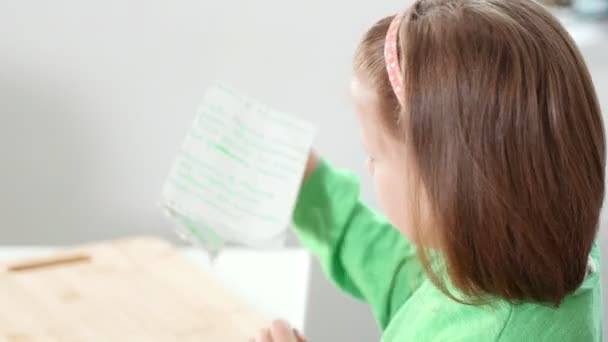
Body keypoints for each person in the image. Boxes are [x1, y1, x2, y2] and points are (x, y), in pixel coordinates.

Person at [252, 0, 605, 340]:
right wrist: (313, 189)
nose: (367, 165)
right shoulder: (520, 248)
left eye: (373, 154)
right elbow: (406, 278)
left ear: (444, 181)